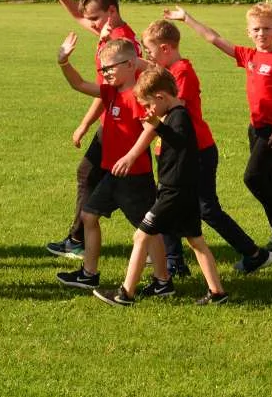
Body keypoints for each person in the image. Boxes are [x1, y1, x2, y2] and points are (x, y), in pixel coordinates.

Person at [166, 2, 272, 255]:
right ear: (249, 32)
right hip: (256, 128)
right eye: (257, 29)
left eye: (267, 29)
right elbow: (214, 38)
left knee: (252, 177)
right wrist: (187, 18)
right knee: (266, 180)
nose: (262, 34)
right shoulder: (249, 56)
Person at [142, 19, 272, 275]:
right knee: (171, 203)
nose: (149, 55)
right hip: (174, 150)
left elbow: (170, 107)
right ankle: (175, 261)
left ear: (166, 48)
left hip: (196, 151)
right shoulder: (170, 71)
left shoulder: (182, 72)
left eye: (151, 50)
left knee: (204, 208)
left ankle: (253, 253)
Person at [93, 67, 228, 306]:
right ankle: (217, 293)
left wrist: (159, 126)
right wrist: (159, 123)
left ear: (161, 97)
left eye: (148, 105)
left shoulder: (179, 117)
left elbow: (179, 142)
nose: (147, 111)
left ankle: (125, 294)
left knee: (141, 236)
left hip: (173, 192)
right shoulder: (174, 115)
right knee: (196, 240)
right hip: (182, 190)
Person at [41, 0, 143, 262]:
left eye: (97, 19)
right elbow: (79, 15)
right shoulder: (112, 31)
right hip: (113, 118)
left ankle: (153, 240)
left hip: (119, 122)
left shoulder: (119, 44)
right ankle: (78, 238)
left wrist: (84, 124)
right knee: (95, 177)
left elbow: (105, 91)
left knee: (116, 186)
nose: (92, 24)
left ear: (112, 11)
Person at [53, 36, 164, 294]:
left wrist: (131, 156)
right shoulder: (110, 91)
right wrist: (63, 61)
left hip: (134, 176)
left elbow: (151, 129)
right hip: (113, 173)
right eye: (103, 69)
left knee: (147, 228)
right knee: (89, 215)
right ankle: (89, 275)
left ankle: (162, 280)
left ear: (130, 65)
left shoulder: (139, 96)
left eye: (110, 68)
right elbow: (79, 84)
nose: (106, 73)